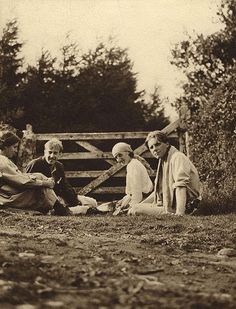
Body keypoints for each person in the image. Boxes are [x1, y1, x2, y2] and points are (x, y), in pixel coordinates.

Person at [128, 130, 201, 216]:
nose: (155, 149)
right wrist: (140, 204)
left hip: (185, 205)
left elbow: (181, 185)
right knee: (135, 207)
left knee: (135, 210)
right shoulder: (163, 161)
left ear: (167, 144)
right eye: (151, 147)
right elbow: (158, 191)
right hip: (171, 204)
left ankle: (172, 212)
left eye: (158, 144)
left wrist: (179, 213)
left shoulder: (177, 157)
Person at [0, 131, 70, 215]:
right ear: (6, 147)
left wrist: (40, 178)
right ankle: (60, 209)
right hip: (8, 196)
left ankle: (58, 207)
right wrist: (45, 183)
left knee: (39, 176)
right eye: (14, 147)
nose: (15, 150)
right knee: (42, 187)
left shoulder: (5, 159)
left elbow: (19, 177)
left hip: (10, 192)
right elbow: (21, 181)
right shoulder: (2, 161)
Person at [26, 138, 97, 213]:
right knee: (83, 209)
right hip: (41, 200)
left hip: (58, 197)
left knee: (93, 202)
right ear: (44, 152)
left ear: (60, 154)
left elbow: (64, 186)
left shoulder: (59, 166)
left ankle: (76, 207)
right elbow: (27, 184)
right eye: (49, 152)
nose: (52, 156)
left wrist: (75, 200)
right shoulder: (35, 164)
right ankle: (72, 210)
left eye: (55, 153)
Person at [110, 142, 153, 215]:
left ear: (128, 153)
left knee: (129, 210)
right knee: (114, 205)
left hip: (145, 198)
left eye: (120, 155)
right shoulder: (131, 164)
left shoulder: (134, 165)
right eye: (116, 157)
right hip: (137, 196)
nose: (118, 159)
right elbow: (132, 191)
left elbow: (137, 190)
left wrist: (131, 206)